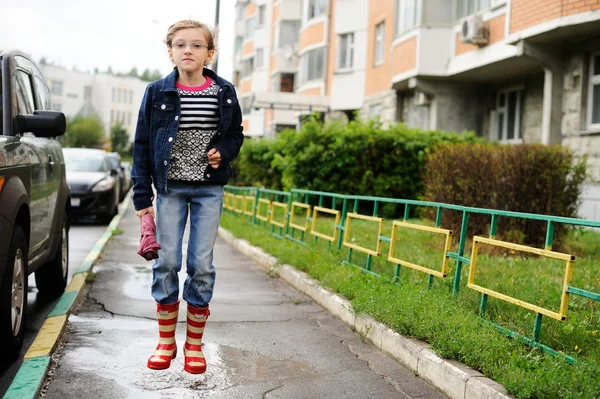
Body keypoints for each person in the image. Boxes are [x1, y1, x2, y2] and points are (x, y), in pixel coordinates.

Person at [131, 19, 244, 374]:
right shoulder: (157, 92)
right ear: (170, 51)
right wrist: (141, 197)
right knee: (166, 262)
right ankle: (166, 342)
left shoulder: (223, 91)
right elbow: (142, 145)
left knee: (201, 264)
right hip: (170, 188)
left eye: (196, 45)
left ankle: (193, 345)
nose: (188, 51)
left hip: (209, 188)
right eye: (180, 45)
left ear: (210, 53)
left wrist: (223, 152)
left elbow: (235, 135)